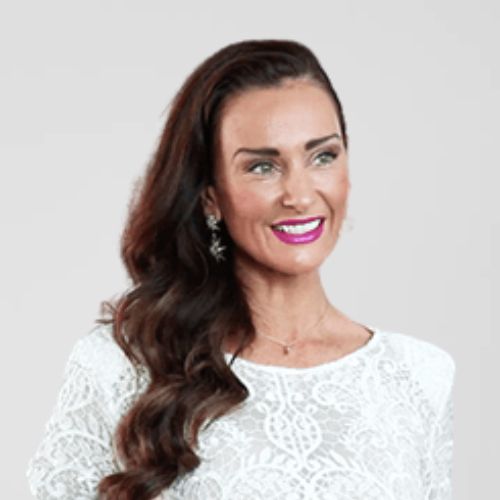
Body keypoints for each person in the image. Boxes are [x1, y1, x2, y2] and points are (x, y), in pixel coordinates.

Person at [27, 39, 456, 500]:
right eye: (262, 167)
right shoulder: (122, 367)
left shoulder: (418, 375)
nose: (300, 195)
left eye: (323, 156)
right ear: (211, 196)